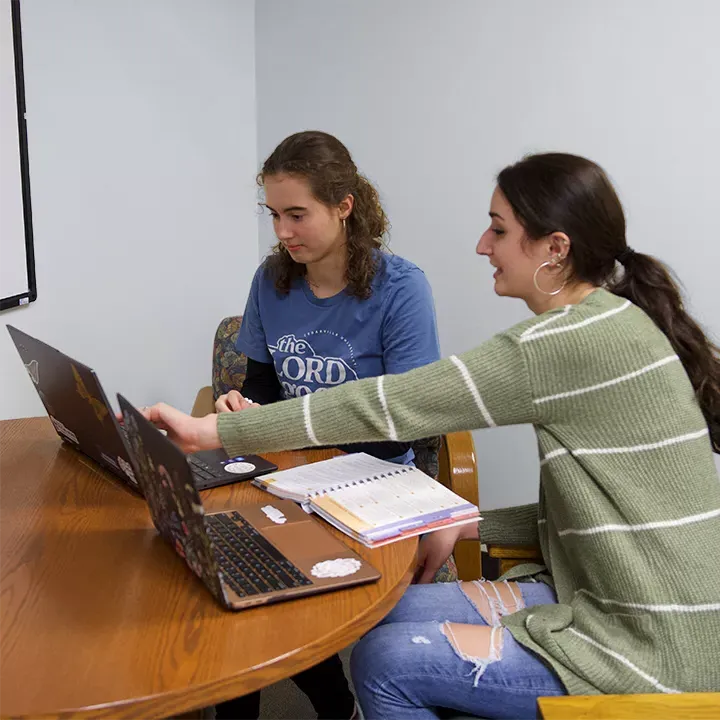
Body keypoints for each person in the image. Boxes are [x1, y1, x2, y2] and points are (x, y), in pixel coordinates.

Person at [140, 152, 720, 719]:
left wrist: (211, 428)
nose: (482, 246)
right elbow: (597, 505)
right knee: (379, 613)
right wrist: (466, 520)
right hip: (604, 597)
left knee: (384, 661)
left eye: (498, 230)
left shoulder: (565, 344)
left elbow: (389, 406)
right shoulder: (609, 323)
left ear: (556, 248)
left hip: (651, 644)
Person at [212, 130, 440, 720]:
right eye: (273, 215)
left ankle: (331, 702)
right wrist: (239, 405)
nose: (282, 232)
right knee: (231, 578)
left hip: (372, 481)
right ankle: (311, 703)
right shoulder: (272, 280)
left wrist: (284, 428)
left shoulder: (401, 288)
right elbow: (261, 385)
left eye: (296, 214)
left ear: (344, 206)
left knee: (276, 588)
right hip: (289, 474)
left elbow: (403, 426)